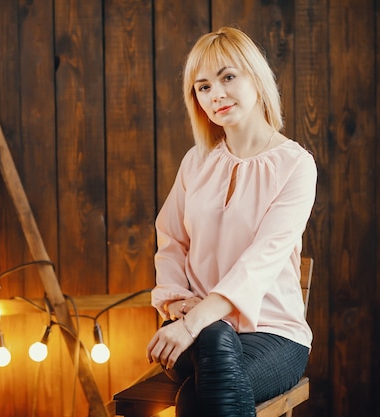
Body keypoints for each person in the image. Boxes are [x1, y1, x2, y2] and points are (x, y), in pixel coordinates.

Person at [145, 27, 317, 417]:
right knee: (215, 338)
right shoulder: (196, 161)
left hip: (273, 336)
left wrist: (195, 322)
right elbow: (171, 241)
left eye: (227, 77)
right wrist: (178, 306)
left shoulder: (295, 166)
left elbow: (261, 263)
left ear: (255, 78)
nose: (216, 94)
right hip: (194, 329)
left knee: (195, 396)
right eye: (202, 87)